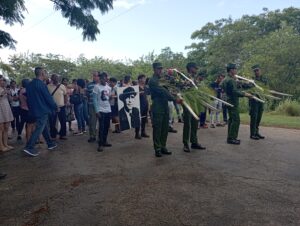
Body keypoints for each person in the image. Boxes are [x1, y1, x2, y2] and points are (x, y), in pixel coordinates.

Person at [148, 62, 182, 157]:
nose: (160, 70)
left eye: (161, 68)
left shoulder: (162, 79)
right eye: (158, 69)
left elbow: (170, 89)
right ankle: (157, 148)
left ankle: (163, 146)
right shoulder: (152, 81)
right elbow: (164, 92)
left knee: (165, 128)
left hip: (165, 105)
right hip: (157, 106)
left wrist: (176, 92)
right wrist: (175, 99)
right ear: (154, 69)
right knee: (157, 128)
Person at [23, 67, 58, 156]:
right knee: (39, 128)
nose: (47, 75)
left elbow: (27, 98)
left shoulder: (30, 85)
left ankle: (50, 143)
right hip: (42, 110)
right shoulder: (42, 85)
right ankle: (29, 146)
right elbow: (48, 98)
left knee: (43, 126)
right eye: (46, 73)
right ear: (42, 74)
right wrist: (55, 106)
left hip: (33, 110)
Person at [221, 63, 253, 145]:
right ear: (231, 70)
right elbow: (234, 92)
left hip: (228, 101)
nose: (236, 70)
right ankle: (232, 138)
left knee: (231, 120)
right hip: (232, 102)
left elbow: (222, 86)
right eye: (235, 69)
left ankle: (230, 137)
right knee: (236, 120)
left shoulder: (226, 79)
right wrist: (245, 94)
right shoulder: (231, 80)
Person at [182, 62, 206, 152]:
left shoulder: (194, 78)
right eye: (195, 68)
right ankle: (185, 143)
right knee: (187, 124)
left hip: (195, 103)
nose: (196, 70)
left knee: (195, 122)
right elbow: (182, 89)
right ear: (190, 68)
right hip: (187, 102)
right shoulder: (184, 77)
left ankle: (194, 142)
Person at [93, 72, 112, 152]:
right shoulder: (96, 87)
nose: (104, 80)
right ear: (100, 79)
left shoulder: (108, 87)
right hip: (101, 110)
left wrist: (111, 97)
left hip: (108, 109)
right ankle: (100, 144)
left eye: (105, 78)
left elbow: (109, 98)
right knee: (101, 127)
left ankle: (104, 141)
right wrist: (97, 111)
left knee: (107, 127)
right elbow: (94, 99)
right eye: (102, 78)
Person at [249, 65, 267, 140]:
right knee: (254, 117)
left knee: (259, 117)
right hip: (254, 101)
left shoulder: (264, 79)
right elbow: (249, 89)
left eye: (258, 70)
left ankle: (256, 132)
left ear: (260, 70)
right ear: (253, 72)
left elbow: (266, 89)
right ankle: (252, 134)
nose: (257, 72)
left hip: (261, 101)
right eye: (255, 71)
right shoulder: (251, 80)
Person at [47, 74, 67, 140]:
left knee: (63, 121)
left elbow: (65, 95)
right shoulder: (48, 86)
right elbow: (47, 97)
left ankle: (62, 135)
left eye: (56, 78)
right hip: (52, 107)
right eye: (54, 78)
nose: (55, 79)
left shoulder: (62, 86)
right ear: (52, 79)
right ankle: (53, 135)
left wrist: (65, 103)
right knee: (52, 122)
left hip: (62, 106)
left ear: (58, 79)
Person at [0, 75, 14, 152]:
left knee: (6, 128)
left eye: (4, 80)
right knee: (1, 128)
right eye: (2, 80)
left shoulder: (5, 88)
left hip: (6, 108)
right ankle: (1, 146)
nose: (3, 82)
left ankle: (5, 144)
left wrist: (8, 94)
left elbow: (11, 100)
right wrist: (2, 94)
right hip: (0, 109)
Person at [135, 74, 150, 138]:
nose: (144, 80)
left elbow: (148, 96)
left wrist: (148, 105)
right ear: (140, 79)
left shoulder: (146, 87)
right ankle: (137, 133)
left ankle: (143, 132)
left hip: (145, 105)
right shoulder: (136, 87)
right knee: (138, 120)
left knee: (144, 119)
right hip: (138, 105)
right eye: (144, 78)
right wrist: (138, 94)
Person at [86, 71, 99, 142]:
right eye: (93, 76)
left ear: (99, 77)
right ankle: (92, 136)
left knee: (101, 122)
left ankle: (101, 136)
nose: (94, 77)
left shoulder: (102, 84)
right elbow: (87, 94)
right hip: (91, 105)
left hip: (100, 106)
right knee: (92, 122)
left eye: (96, 76)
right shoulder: (89, 85)